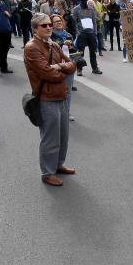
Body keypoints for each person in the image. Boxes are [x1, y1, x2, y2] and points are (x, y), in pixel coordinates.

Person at [24, 13, 75, 186]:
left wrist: (60, 66)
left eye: (49, 25)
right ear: (35, 29)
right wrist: (63, 70)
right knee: (50, 138)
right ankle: (47, 172)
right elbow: (48, 73)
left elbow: (72, 64)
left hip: (61, 95)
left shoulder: (52, 43)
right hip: (46, 98)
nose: (48, 27)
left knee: (63, 136)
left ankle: (58, 164)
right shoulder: (32, 47)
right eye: (44, 25)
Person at [71, 0, 102, 75]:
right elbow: (74, 22)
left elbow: (94, 21)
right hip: (81, 33)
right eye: (82, 2)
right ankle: (79, 69)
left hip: (91, 33)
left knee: (93, 52)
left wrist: (94, 32)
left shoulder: (91, 9)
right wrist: (77, 32)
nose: (84, 3)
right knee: (80, 52)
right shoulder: (76, 9)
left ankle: (95, 68)